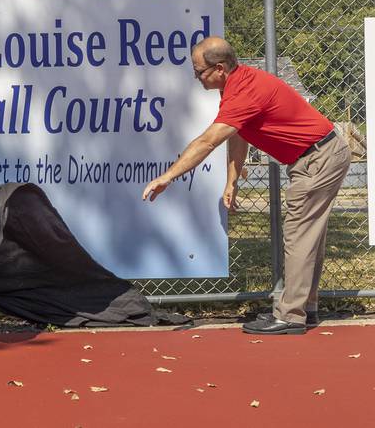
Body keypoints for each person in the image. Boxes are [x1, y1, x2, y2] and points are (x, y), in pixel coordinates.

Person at [141, 36, 350, 335]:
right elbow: (238, 135)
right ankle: (305, 309)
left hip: (318, 158)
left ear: (221, 68)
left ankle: (291, 316)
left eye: (199, 72)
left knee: (299, 235)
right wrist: (232, 181)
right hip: (318, 155)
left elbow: (208, 141)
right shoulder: (235, 87)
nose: (196, 77)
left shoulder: (244, 92)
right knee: (308, 235)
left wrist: (167, 176)